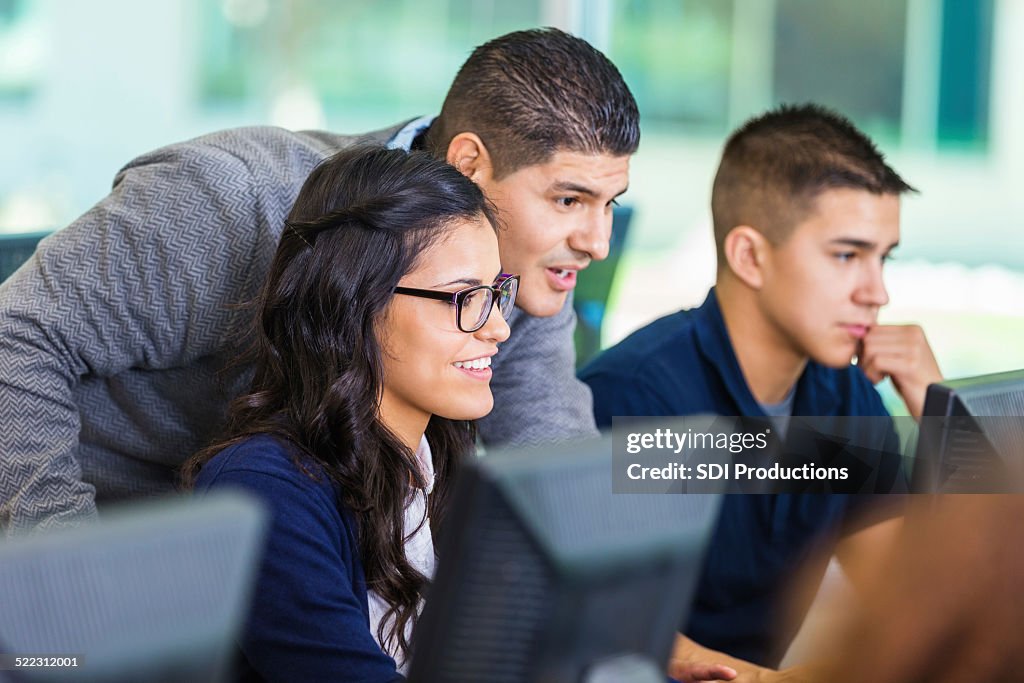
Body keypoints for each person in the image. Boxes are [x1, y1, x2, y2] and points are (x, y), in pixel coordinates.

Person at [0, 28, 637, 534]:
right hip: (97, 531)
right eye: (568, 200)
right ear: (469, 164)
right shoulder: (231, 200)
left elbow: (558, 473)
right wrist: (64, 565)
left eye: (609, 204)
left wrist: (653, 634)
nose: (597, 242)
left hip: (273, 551)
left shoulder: (519, 271)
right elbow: (15, 338)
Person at [580, 104, 943, 667]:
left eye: (883, 258)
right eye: (847, 255)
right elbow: (605, 627)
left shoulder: (847, 403)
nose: (877, 292)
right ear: (749, 255)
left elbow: (917, 615)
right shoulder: (637, 399)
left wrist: (949, 421)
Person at [182, 145, 514, 680]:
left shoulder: (444, 459)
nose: (497, 327)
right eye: (465, 297)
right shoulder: (265, 490)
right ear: (354, 303)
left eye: (496, 292)